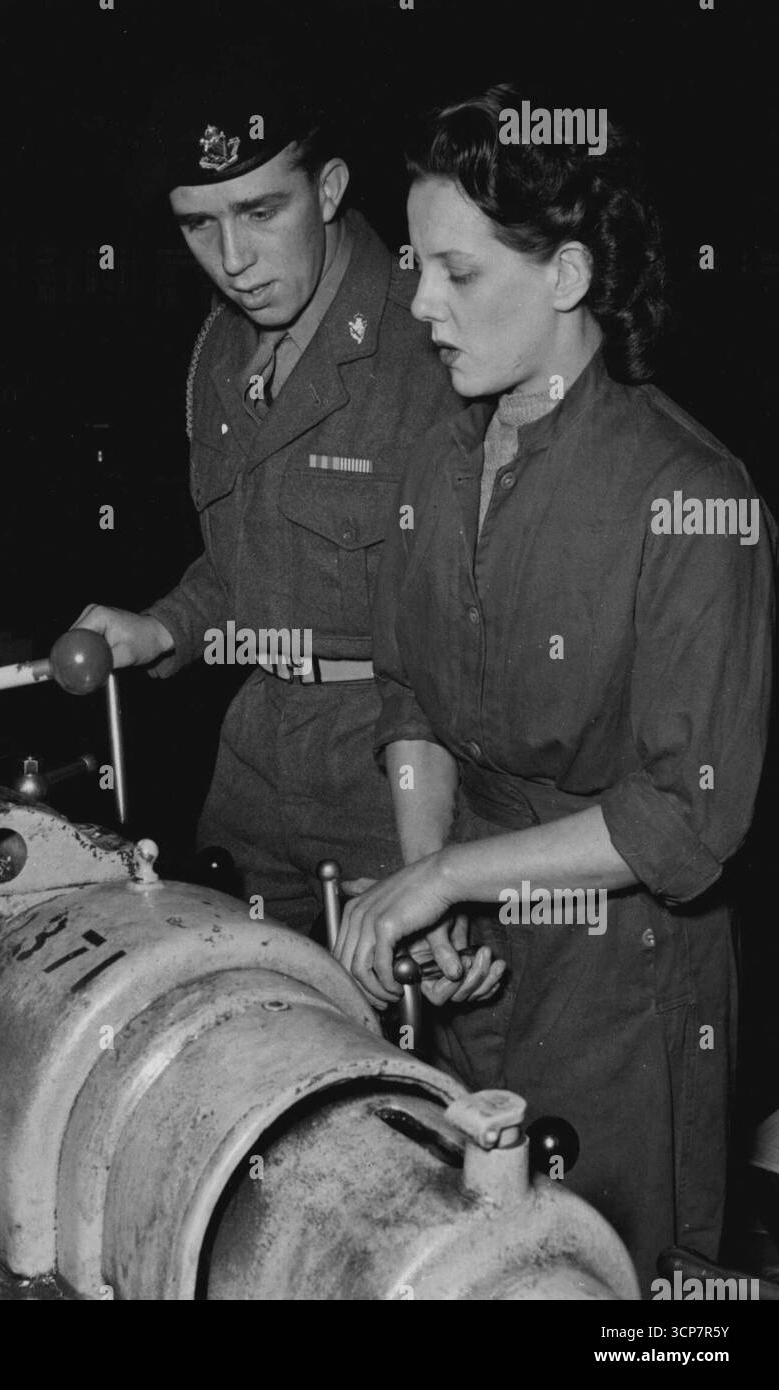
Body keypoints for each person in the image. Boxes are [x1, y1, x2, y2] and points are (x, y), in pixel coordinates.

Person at [333, 84, 774, 1293]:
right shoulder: (441, 448)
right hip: (482, 972)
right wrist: (443, 905)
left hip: (628, 999)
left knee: (610, 1283)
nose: (418, 304)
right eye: (417, 266)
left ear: (568, 276)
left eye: (456, 274)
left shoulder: (694, 499)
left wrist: (445, 876)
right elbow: (406, 691)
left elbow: (687, 815)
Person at [74, 74, 458, 931]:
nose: (233, 259)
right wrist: (165, 626)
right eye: (198, 224)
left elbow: (469, 622)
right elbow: (257, 557)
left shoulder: (430, 343)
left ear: (327, 190)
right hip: (254, 770)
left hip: (395, 784)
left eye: (259, 212)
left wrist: (435, 862)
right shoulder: (224, 340)